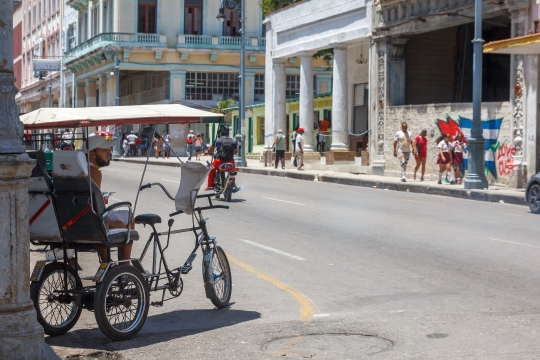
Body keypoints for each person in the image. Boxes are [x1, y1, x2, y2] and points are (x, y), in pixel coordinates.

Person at [85, 134, 134, 262]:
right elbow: (94, 206)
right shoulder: (93, 172)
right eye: (104, 150)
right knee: (129, 215)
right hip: (92, 223)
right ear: (92, 154)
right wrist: (112, 223)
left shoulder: (81, 169)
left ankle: (107, 262)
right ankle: (124, 265)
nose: (109, 152)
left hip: (80, 220)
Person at [205, 125, 237, 190]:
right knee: (232, 170)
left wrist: (207, 152)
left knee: (211, 169)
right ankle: (233, 182)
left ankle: (210, 185)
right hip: (230, 161)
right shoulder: (233, 141)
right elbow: (235, 152)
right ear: (228, 132)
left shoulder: (218, 141)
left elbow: (211, 149)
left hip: (219, 162)